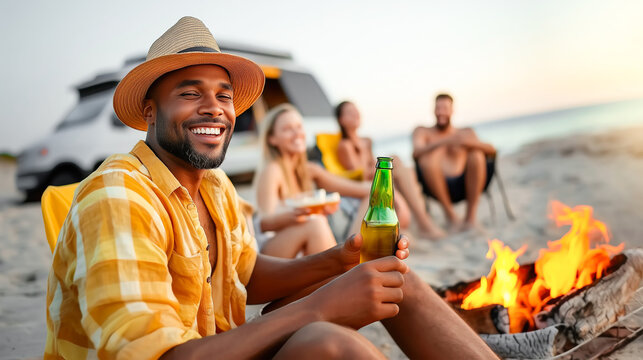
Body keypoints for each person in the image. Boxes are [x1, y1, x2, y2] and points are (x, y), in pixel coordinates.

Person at [45, 17, 498, 359]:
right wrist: (316, 308)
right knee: (325, 341)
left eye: (223, 95)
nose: (214, 109)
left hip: (221, 345)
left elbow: (246, 273)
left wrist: (339, 259)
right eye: (189, 93)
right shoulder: (119, 196)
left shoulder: (213, 185)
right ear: (148, 112)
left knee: (388, 276)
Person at [335, 101, 445, 239]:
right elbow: (358, 175)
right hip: (364, 185)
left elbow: (371, 165)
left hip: (373, 178)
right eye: (350, 113)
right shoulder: (345, 145)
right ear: (341, 120)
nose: (356, 114)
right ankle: (424, 223)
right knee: (395, 161)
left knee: (400, 167)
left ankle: (421, 222)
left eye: (356, 111)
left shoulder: (366, 141)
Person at [413, 93, 496, 231]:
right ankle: (450, 216)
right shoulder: (423, 131)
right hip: (435, 184)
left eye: (445, 108)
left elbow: (492, 150)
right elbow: (416, 152)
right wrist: (445, 141)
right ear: (433, 110)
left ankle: (471, 218)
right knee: (427, 159)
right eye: (438, 108)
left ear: (452, 110)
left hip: (465, 183)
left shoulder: (465, 132)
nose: (441, 112)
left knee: (476, 154)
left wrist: (466, 142)